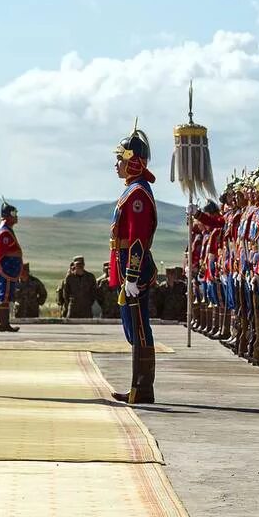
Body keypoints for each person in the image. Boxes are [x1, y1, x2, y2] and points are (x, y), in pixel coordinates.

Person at [108, 124, 159, 404]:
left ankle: (142, 389)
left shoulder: (138, 193)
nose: (116, 164)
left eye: (120, 159)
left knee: (139, 327)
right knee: (132, 325)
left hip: (135, 269)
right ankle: (138, 387)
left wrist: (131, 275)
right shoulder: (132, 190)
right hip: (129, 266)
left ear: (133, 161)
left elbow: (137, 238)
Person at [0, 200, 22, 332]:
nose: (16, 216)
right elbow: (0, 251)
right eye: (13, 213)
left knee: (6, 294)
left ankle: (4, 323)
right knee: (4, 294)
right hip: (6, 268)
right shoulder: (5, 232)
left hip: (10, 268)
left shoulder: (8, 230)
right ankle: (2, 324)